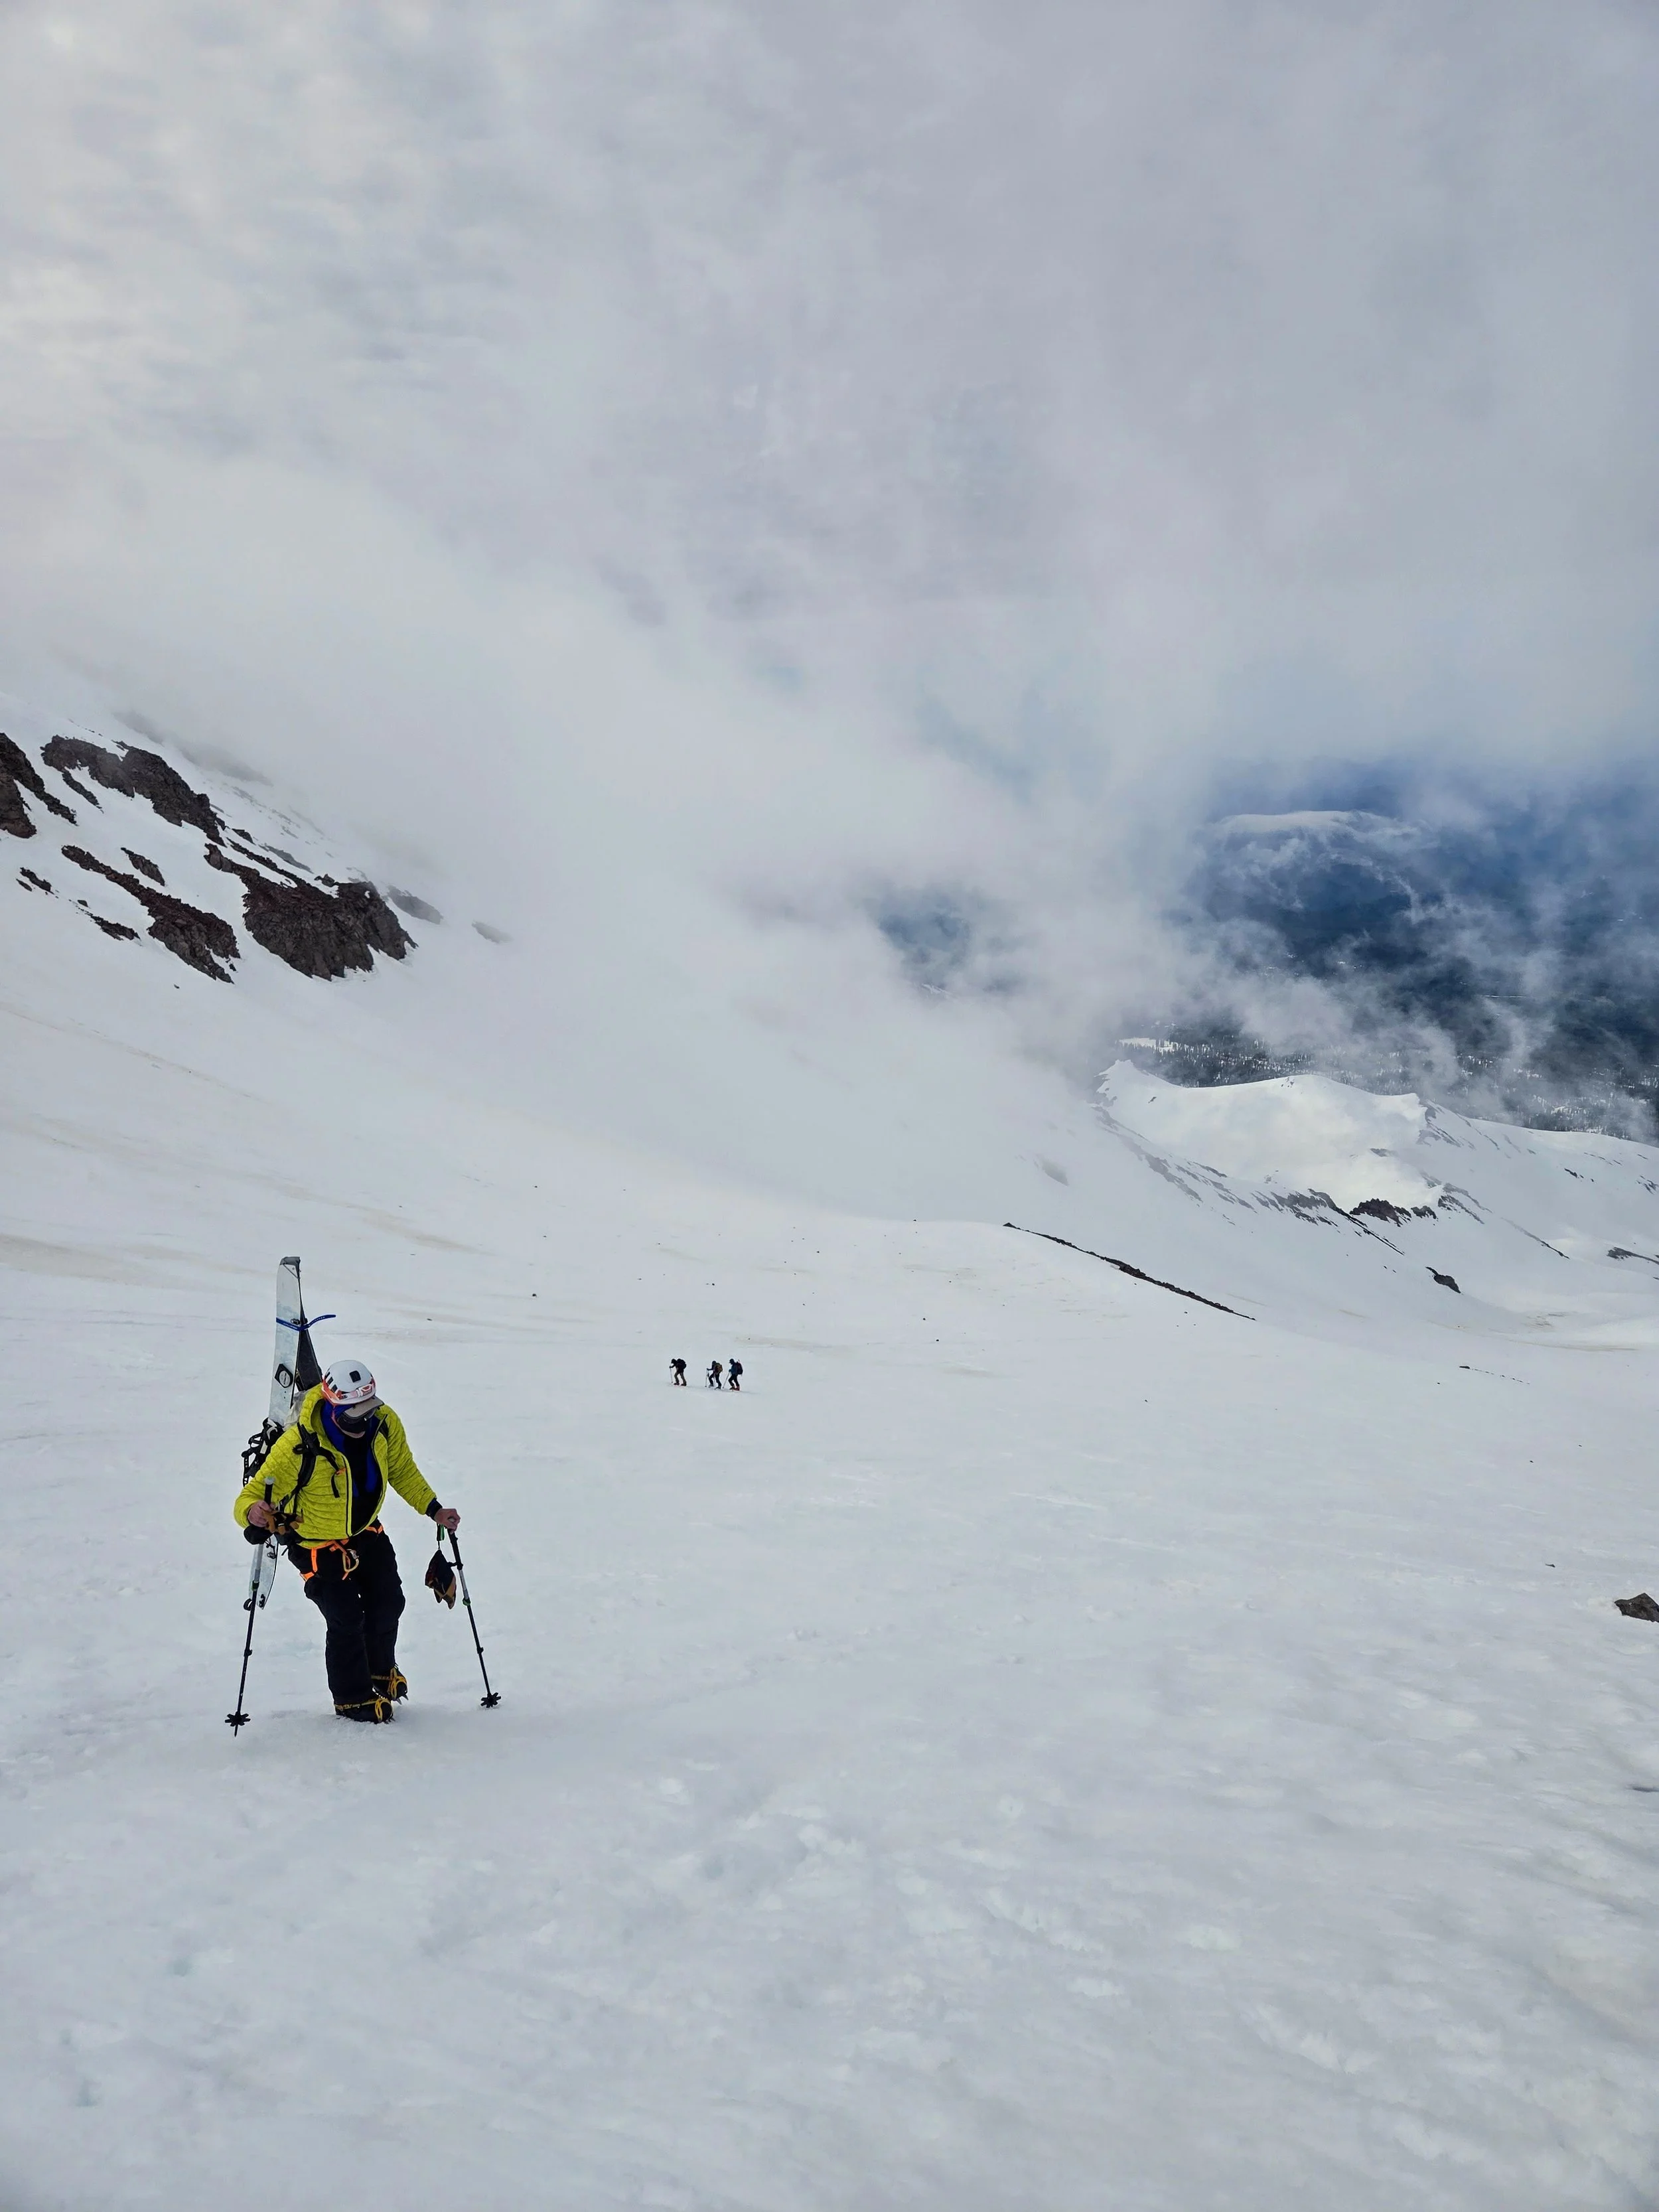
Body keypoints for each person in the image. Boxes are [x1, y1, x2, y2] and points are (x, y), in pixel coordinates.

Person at [234, 1355, 460, 1724]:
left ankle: (379, 1671)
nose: (364, 1419)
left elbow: (402, 1469)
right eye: (355, 1414)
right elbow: (250, 1496)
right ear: (335, 1408)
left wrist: (433, 1508)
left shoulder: (385, 1424)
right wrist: (253, 1512)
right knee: (346, 1617)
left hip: (366, 1534)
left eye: (369, 1409)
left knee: (389, 1602)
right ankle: (352, 1698)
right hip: (316, 1548)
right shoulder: (298, 1447)